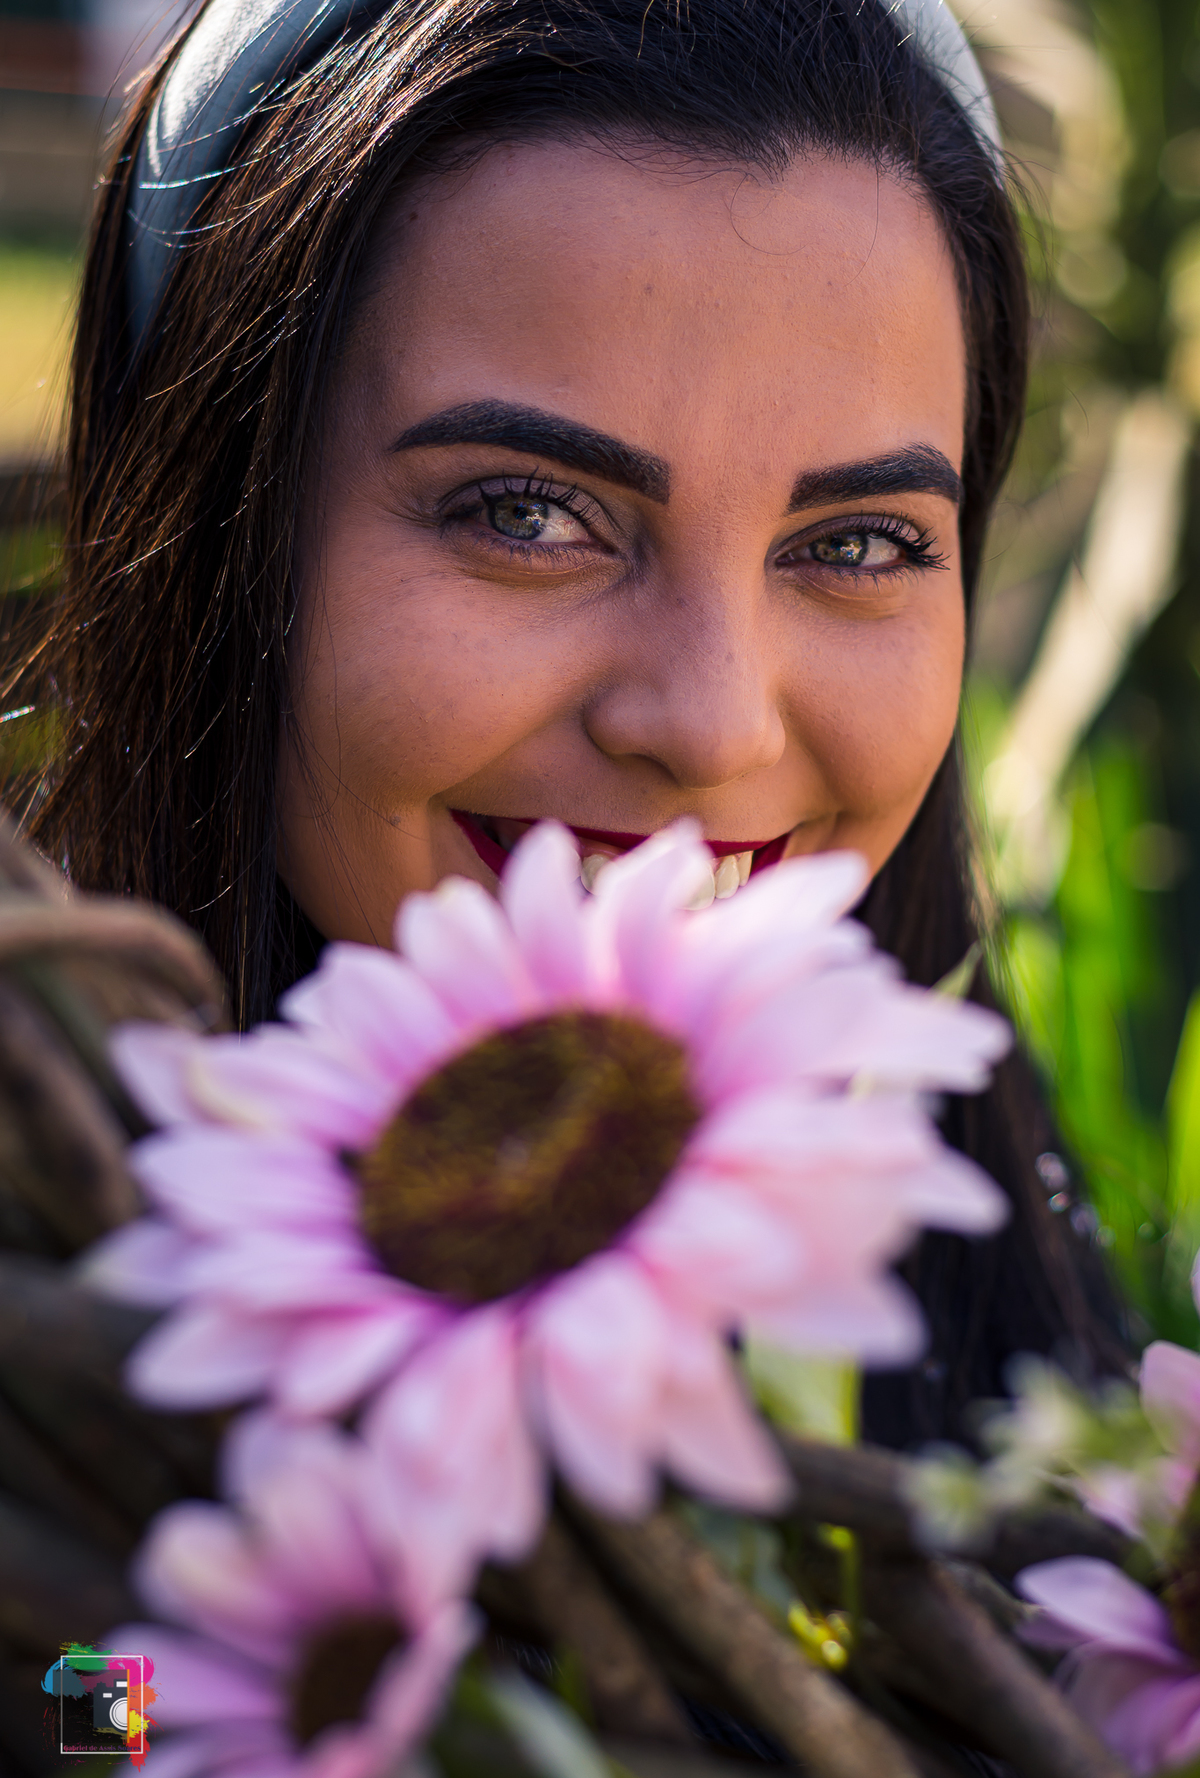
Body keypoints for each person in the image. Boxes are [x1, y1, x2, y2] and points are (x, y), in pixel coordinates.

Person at [25, 0, 1125, 1452]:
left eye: (858, 544)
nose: (716, 729)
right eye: (529, 516)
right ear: (213, 533)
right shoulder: (80, 1593)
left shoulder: (1101, 1506)